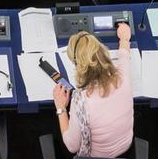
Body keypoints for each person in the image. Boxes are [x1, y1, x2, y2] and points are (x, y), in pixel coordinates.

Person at [54, 30, 136, 159]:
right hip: (125, 148)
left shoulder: (81, 102)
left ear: (78, 66)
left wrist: (61, 108)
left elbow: (72, 146)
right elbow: (124, 55)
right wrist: (124, 39)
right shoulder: (123, 77)